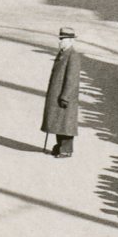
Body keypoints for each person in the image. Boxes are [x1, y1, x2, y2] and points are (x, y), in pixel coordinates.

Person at [41, 29, 82, 158]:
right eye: (60, 39)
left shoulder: (73, 55)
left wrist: (65, 96)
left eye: (63, 39)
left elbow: (72, 79)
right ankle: (59, 147)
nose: (60, 42)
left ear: (70, 40)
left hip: (65, 96)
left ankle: (66, 150)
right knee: (59, 122)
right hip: (58, 93)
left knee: (66, 124)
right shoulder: (63, 53)